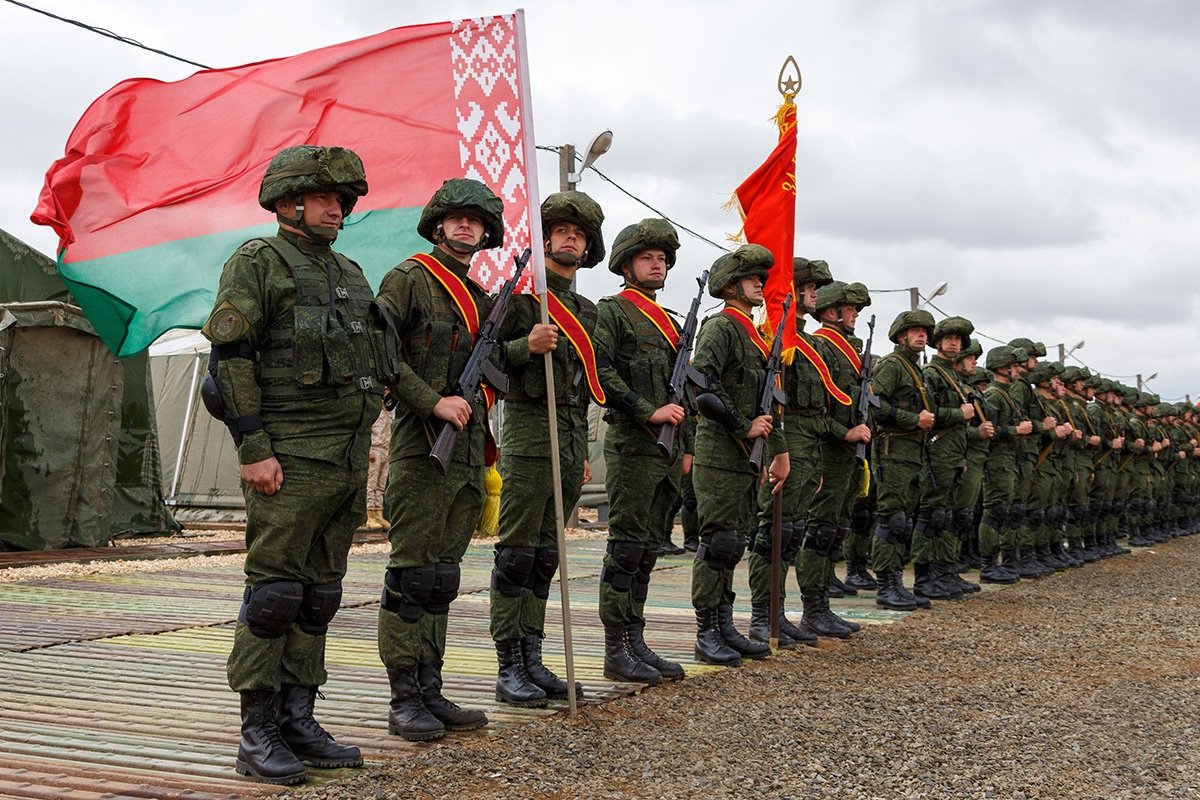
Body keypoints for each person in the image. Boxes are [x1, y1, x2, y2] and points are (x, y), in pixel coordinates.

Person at [203, 145, 385, 784]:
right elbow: (231, 358)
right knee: (275, 595)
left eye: (343, 200)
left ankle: (298, 718)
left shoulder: (350, 272)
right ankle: (256, 733)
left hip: (344, 459)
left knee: (318, 596)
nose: (339, 208)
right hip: (289, 458)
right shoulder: (259, 262)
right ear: (288, 203)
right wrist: (254, 448)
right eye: (327, 198)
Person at [375, 178, 502, 741]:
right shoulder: (410, 279)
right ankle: (404, 698)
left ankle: (431, 688)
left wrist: (531, 345)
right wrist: (433, 400)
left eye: (475, 221)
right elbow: (380, 351)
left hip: (468, 453)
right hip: (423, 447)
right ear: (437, 224)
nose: (466, 227)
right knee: (412, 575)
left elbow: (494, 367)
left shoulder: (478, 298)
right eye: (456, 218)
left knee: (442, 578)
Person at [489, 191, 604, 706]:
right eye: (561, 231)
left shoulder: (585, 310)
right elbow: (489, 359)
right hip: (530, 435)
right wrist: (524, 346)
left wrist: (579, 450)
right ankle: (508, 664)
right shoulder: (521, 299)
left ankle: (533, 658)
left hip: (568, 437)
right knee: (515, 556)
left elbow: (580, 385)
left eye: (578, 233)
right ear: (545, 239)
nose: (571, 239)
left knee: (543, 558)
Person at [595, 218, 692, 683]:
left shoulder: (672, 324)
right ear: (627, 264)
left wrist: (686, 447)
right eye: (647, 258)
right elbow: (602, 372)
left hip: (668, 454)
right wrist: (645, 410)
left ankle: (637, 639)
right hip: (633, 446)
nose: (657, 265)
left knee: (650, 548)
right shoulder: (613, 311)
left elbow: (683, 394)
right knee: (627, 548)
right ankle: (616, 648)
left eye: (662, 260)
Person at [690, 244, 788, 665]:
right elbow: (702, 385)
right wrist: (742, 426)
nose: (759, 284)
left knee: (734, 543)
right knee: (718, 542)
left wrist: (779, 451)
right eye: (751, 278)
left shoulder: (754, 334)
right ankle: (707, 630)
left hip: (748, 455)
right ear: (730, 285)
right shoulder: (721, 328)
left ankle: (724, 623)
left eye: (761, 278)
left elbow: (768, 401)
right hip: (719, 451)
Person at [746, 257, 836, 648]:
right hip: (785, 443)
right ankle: (763, 615)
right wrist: (776, 452)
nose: (815, 293)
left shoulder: (807, 342)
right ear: (792, 291)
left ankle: (780, 611)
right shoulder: (776, 337)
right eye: (809, 287)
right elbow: (771, 402)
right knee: (773, 533)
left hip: (809, 445)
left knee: (793, 532)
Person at [794, 280, 874, 638]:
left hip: (846, 456)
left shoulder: (850, 351)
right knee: (820, 530)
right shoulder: (823, 347)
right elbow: (815, 408)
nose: (856, 314)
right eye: (851, 308)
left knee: (834, 530)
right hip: (827, 451)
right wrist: (844, 433)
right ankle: (813, 608)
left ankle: (823, 603)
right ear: (831, 312)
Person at [867, 310, 937, 610]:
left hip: (911, 454)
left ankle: (896, 581)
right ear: (900, 336)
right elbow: (875, 403)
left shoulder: (915, 368)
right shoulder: (893, 365)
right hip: (893, 451)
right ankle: (885, 585)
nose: (921, 335)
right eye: (915, 331)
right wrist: (912, 419)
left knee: (903, 521)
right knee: (890, 519)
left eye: (924, 331)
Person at [913, 316, 979, 601]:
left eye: (958, 340)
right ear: (938, 342)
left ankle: (944, 572)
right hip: (936, 453)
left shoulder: (954, 377)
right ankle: (923, 578)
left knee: (948, 516)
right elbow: (927, 416)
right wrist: (958, 415)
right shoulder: (931, 374)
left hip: (954, 454)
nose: (954, 343)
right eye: (949, 338)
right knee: (931, 515)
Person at [979, 346, 1033, 583]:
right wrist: (1016, 430)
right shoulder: (993, 394)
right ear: (1002, 367)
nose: (1016, 371)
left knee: (1007, 511)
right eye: (1013, 366)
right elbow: (989, 430)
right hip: (997, 460)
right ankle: (988, 565)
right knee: (995, 511)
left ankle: (1007, 561)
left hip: (1010, 459)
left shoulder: (1007, 393)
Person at [366, 405, 392, 529]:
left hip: (386, 449)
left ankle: (378, 513)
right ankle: (370, 515)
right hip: (375, 448)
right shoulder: (374, 409)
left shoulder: (389, 411)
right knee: (372, 483)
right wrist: (369, 449)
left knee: (381, 485)